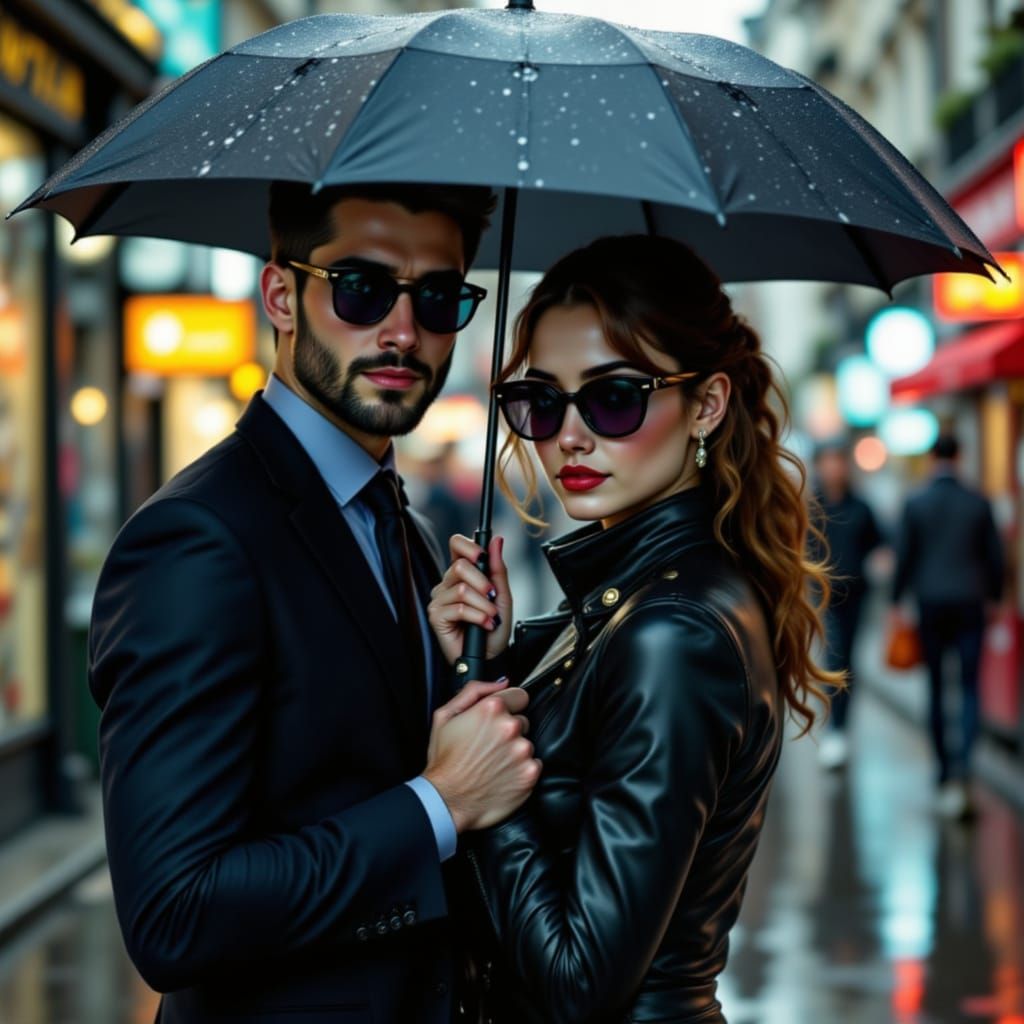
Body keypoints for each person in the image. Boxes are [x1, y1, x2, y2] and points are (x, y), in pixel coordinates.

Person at [87, 181, 542, 1024]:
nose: (403, 332)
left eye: (438, 298)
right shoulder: (197, 540)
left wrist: (454, 671)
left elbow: (348, 759)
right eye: (362, 288)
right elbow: (174, 914)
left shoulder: (395, 525)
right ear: (281, 294)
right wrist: (437, 806)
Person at [428, 235, 839, 1023]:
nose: (570, 436)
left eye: (613, 397)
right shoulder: (630, 607)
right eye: (540, 402)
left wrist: (485, 791)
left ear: (707, 406)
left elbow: (581, 983)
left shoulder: (673, 634)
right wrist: (493, 662)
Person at [891, 433, 1004, 819]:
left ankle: (942, 771)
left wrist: (895, 603)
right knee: (970, 686)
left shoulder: (916, 502)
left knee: (937, 687)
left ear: (931, 458)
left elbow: (903, 557)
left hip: (930, 603)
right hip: (971, 603)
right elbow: (996, 560)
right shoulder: (978, 502)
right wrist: (995, 599)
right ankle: (964, 770)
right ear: (961, 456)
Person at [811, 438, 884, 769]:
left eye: (837, 461)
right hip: (824, 596)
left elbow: (880, 543)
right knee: (833, 657)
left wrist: (881, 560)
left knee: (848, 662)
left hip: (857, 595)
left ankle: (842, 728)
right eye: (827, 461)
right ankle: (835, 731)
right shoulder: (812, 507)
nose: (833, 468)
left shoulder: (861, 506)